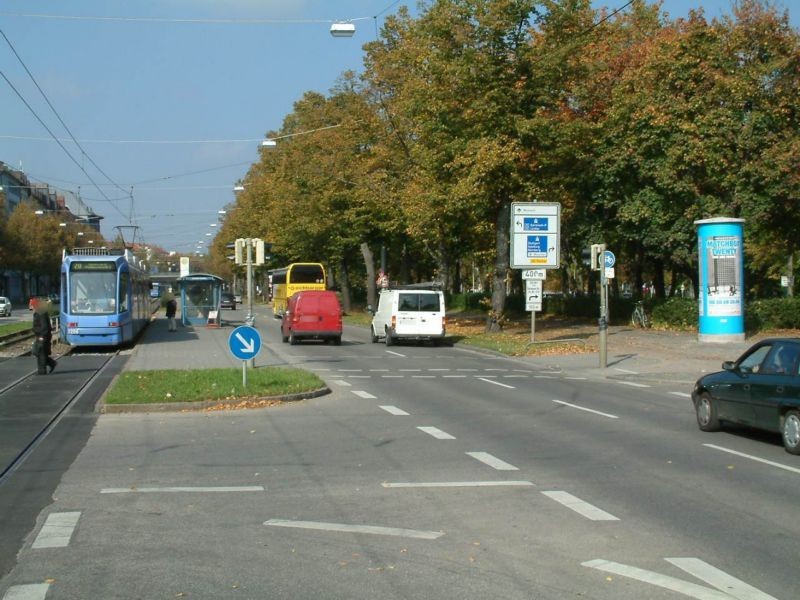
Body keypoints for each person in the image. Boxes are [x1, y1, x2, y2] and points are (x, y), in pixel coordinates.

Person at [32, 302, 57, 375]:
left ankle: (42, 371)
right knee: (37, 351)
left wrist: (41, 336)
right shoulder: (39, 312)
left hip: (42, 336)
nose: (31, 307)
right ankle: (51, 363)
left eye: (32, 305)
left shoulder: (41, 313)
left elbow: (44, 326)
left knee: (40, 352)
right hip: (41, 335)